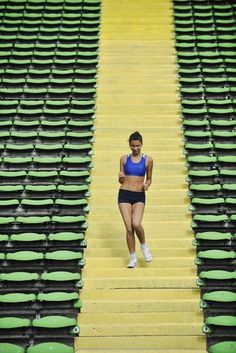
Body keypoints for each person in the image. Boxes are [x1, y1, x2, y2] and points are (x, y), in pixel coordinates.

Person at [118, 131, 153, 268]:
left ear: (141, 144)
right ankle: (132, 258)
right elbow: (121, 180)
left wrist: (147, 185)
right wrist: (120, 176)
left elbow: (149, 178)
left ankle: (144, 247)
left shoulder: (148, 160)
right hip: (124, 194)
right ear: (129, 145)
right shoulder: (123, 159)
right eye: (133, 146)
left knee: (136, 223)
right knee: (128, 228)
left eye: (138, 145)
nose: (135, 148)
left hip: (139, 195)